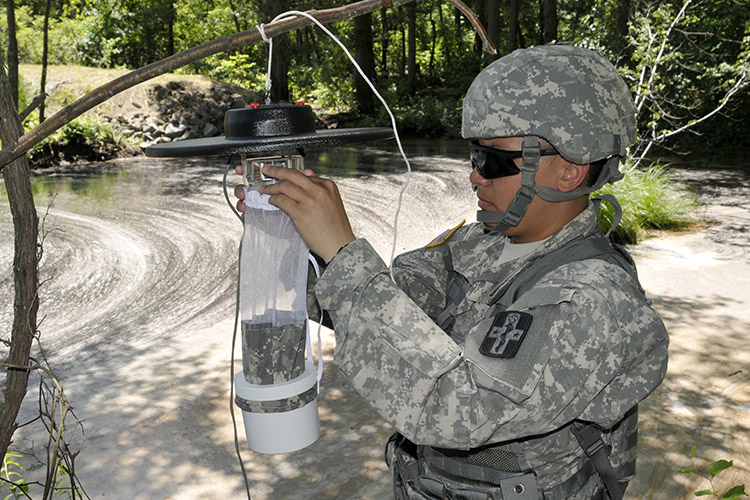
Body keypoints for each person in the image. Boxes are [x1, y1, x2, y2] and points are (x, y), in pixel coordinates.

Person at [234, 44, 669, 499]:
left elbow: (454, 408)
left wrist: (342, 251)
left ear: (569, 172)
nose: (474, 177)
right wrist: (284, 236)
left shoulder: (596, 298)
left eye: (494, 161)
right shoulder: (477, 244)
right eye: (474, 156)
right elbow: (370, 303)